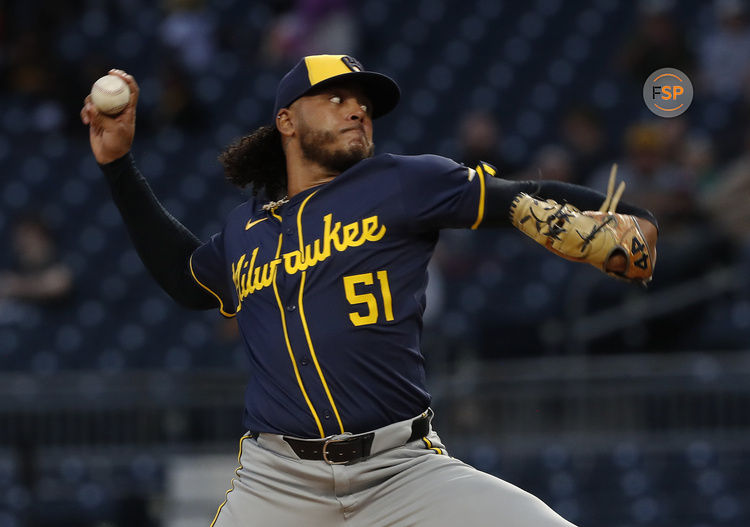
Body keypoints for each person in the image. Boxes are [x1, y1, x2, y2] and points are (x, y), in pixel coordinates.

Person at [81, 55, 657, 526]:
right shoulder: (244, 230)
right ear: (287, 121)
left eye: (364, 103)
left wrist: (633, 216)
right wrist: (118, 167)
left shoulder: (404, 183)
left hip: (403, 470)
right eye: (335, 97)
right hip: (277, 483)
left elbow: (520, 195)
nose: (357, 109)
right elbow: (187, 281)